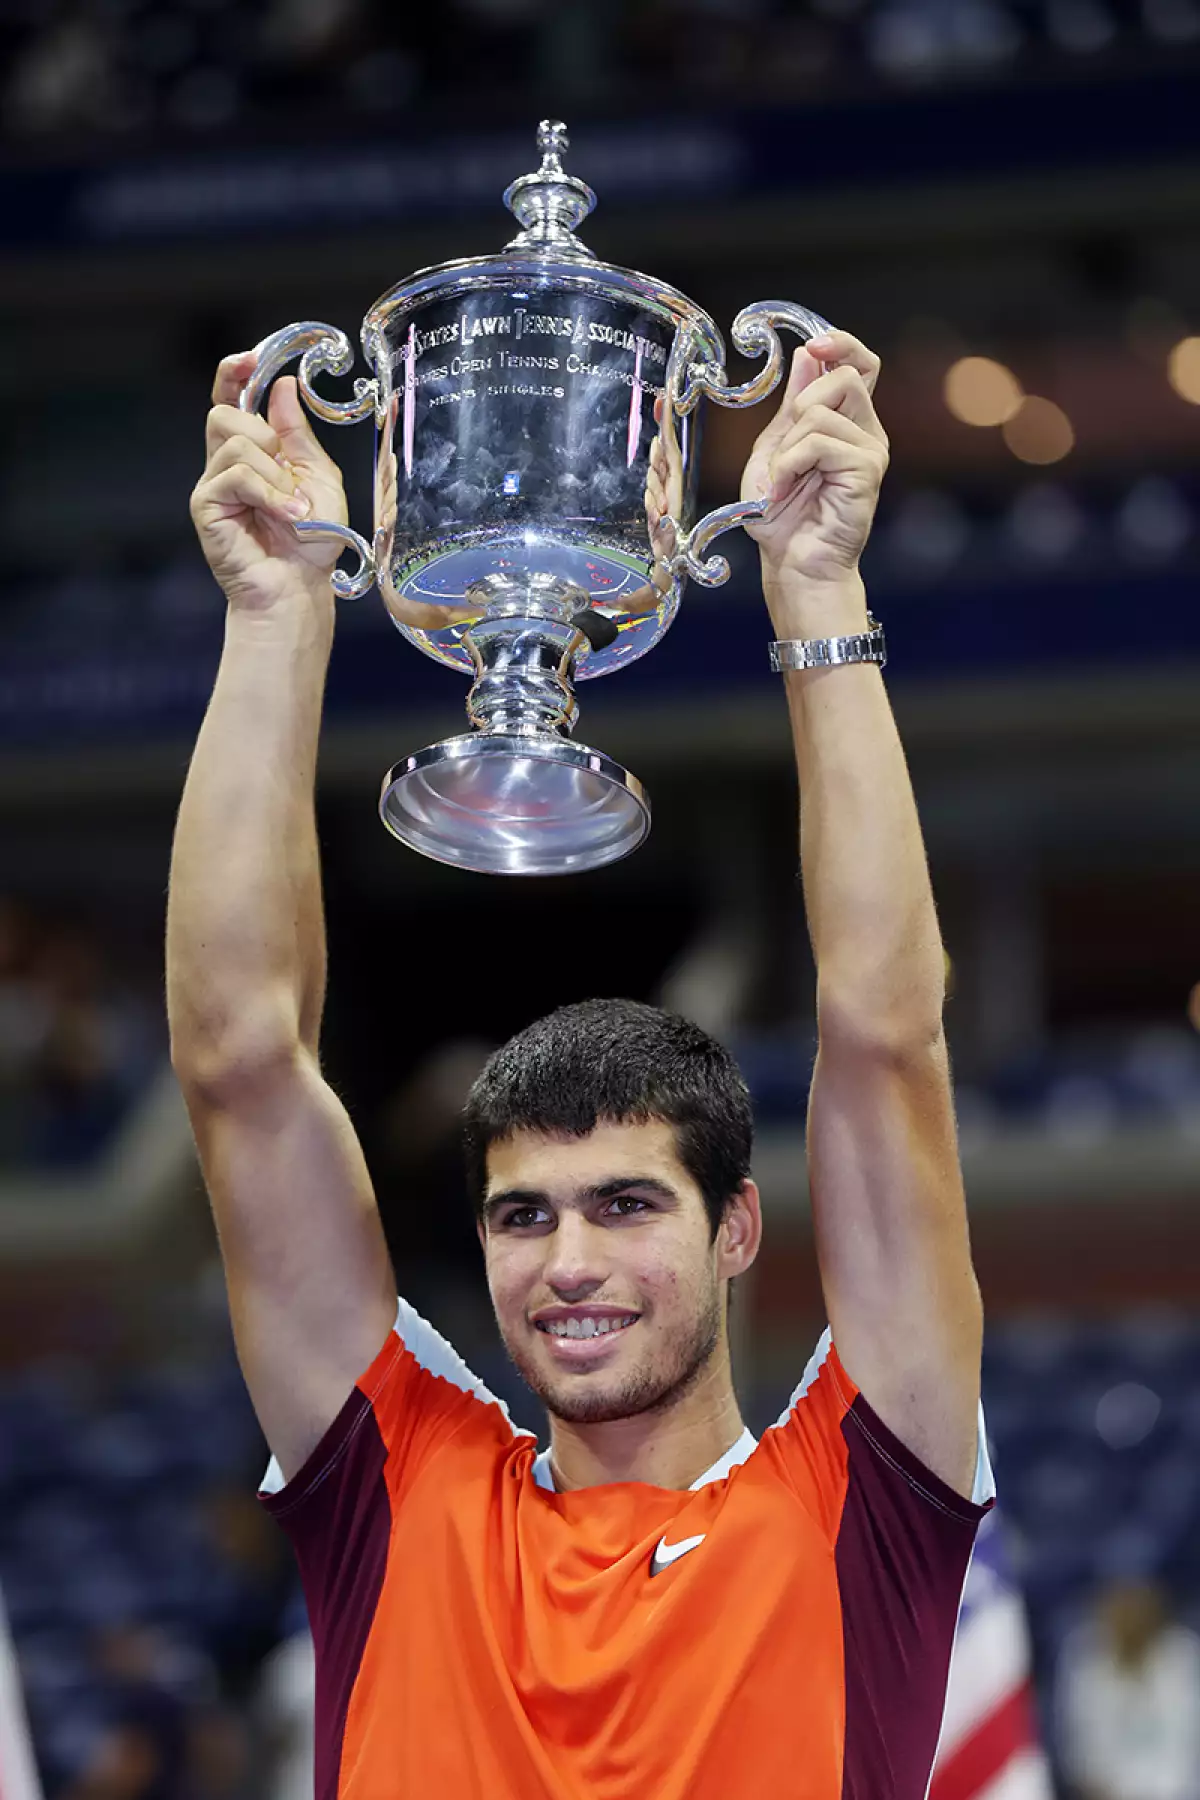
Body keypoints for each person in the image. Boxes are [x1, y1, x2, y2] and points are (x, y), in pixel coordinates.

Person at [167, 327, 992, 1800]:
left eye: (625, 1204)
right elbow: (239, 1056)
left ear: (736, 1227)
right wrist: (274, 612)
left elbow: (883, 1030)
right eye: (524, 1215)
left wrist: (818, 590)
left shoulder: (866, 1497)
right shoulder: (397, 1485)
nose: (567, 1262)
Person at [1057, 1576, 1200, 1800]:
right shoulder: (1086, 1657)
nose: (1129, 1618)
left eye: (1137, 1609)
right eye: (1121, 1609)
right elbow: (1082, 1748)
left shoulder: (1182, 1656)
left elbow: (1187, 1745)